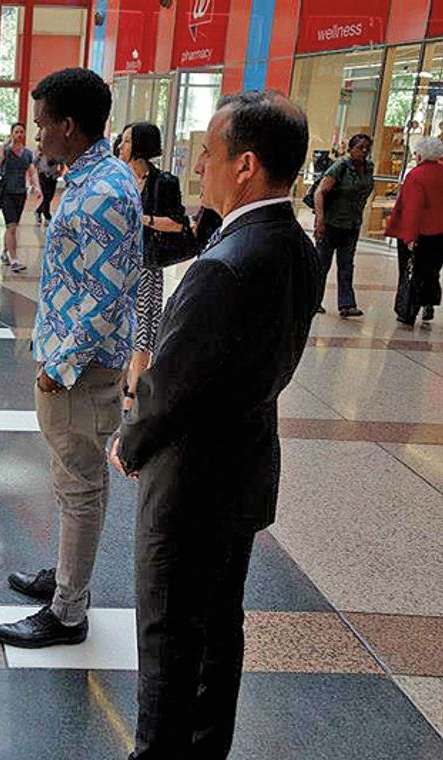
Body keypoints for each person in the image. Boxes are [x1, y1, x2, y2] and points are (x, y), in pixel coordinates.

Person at [109, 91, 321, 759]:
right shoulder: (295, 246)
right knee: (217, 632)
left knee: (171, 641)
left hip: (193, 484)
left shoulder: (225, 265)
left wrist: (129, 440)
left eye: (209, 152)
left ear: (247, 165)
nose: (199, 165)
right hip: (245, 468)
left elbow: (172, 384)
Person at [0, 68, 141, 649]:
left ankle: (69, 612)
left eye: (41, 123)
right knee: (70, 476)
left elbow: (107, 293)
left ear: (69, 127)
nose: (35, 133)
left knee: (80, 484)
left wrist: (61, 364)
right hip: (66, 357)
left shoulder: (105, 190)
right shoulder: (86, 176)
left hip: (80, 369)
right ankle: (67, 576)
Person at [120, 121, 190, 409]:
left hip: (148, 264)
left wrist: (142, 219)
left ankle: (133, 389)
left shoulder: (164, 183)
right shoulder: (120, 178)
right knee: (124, 324)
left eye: (126, 142)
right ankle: (126, 379)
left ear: (140, 146)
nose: (120, 147)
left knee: (143, 326)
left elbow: (177, 224)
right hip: (121, 265)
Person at [313, 132, 374, 317]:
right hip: (331, 223)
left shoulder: (369, 167)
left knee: (346, 265)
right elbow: (320, 192)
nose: (364, 151)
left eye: (367, 148)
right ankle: (314, 301)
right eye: (360, 147)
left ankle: (346, 304)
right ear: (350, 149)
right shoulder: (340, 166)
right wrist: (320, 220)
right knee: (322, 264)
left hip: (352, 224)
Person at [386, 136, 443, 326]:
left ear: (420, 155)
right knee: (432, 270)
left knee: (411, 272)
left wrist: (409, 237)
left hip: (421, 233)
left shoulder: (416, 175)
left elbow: (413, 208)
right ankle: (429, 303)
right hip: (440, 233)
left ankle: (408, 310)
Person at [0, 122, 40, 272]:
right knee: (11, 226)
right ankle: (14, 259)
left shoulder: (27, 153)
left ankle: (5, 253)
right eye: (16, 132)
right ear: (12, 133)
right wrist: (3, 145)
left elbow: (32, 171)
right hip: (6, 192)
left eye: (21, 132)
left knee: (12, 226)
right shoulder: (6, 151)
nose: (19, 134)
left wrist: (37, 186)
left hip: (20, 192)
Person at [34, 139, 62, 226]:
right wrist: (38, 156)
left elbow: (61, 161)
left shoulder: (56, 150)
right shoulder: (40, 151)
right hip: (43, 174)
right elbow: (34, 163)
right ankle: (47, 216)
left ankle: (38, 211)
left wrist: (59, 170)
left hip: (53, 175)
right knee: (46, 195)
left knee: (50, 196)